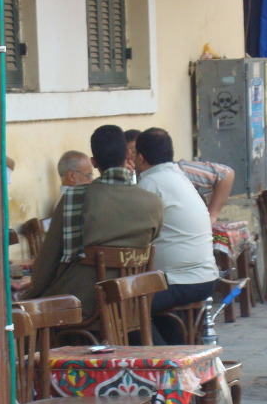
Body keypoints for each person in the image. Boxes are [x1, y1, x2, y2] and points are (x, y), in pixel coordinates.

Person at [25, 125, 164, 319]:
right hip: (131, 304)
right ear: (128, 155)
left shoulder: (73, 198)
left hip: (81, 305)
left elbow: (48, 261)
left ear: (94, 162)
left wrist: (31, 293)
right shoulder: (153, 202)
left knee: (23, 315)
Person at [135, 128, 219, 345]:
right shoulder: (179, 176)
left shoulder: (150, 184)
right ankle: (178, 353)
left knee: (128, 311)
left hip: (182, 280)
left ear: (140, 157)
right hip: (201, 276)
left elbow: (135, 234)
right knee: (153, 307)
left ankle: (163, 361)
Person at [126, 129, 235, 225]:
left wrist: (212, 216)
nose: (132, 159)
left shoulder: (180, 169)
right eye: (128, 155)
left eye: (134, 153)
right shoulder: (132, 178)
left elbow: (226, 174)